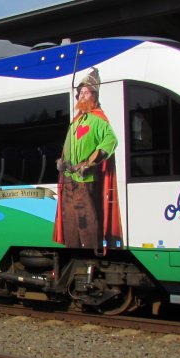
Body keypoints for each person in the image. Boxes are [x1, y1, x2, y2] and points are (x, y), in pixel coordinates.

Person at [54, 68, 119, 253]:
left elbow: (111, 141)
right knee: (70, 223)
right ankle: (73, 252)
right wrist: (62, 160)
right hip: (68, 180)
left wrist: (90, 163)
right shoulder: (75, 122)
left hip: (85, 180)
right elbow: (67, 148)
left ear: (94, 95)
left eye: (86, 92)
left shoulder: (98, 120)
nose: (82, 95)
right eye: (80, 92)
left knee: (87, 222)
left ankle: (91, 253)